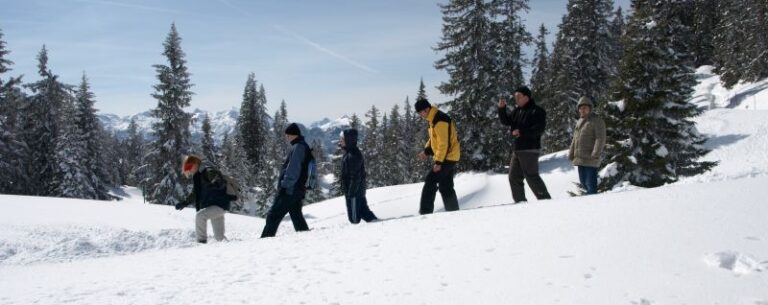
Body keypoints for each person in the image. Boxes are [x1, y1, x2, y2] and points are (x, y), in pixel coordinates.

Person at [498, 86, 552, 203]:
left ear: (526, 97)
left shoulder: (537, 111)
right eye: (515, 97)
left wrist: (521, 132)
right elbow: (506, 121)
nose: (516, 99)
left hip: (530, 148)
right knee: (513, 177)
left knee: (531, 176)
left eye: (518, 97)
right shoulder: (517, 111)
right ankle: (520, 202)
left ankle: (545, 200)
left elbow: (539, 129)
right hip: (517, 149)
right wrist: (502, 109)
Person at [260, 123, 311, 238]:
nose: (286, 137)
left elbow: (293, 169)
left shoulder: (298, 147)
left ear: (293, 135)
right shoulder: (302, 146)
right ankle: (306, 237)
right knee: (296, 215)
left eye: (288, 135)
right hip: (298, 189)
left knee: (273, 215)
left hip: (290, 189)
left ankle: (264, 241)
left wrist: (284, 186)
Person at [415, 97, 461, 214]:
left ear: (427, 109)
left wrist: (439, 162)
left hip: (448, 157)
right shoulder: (432, 119)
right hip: (448, 156)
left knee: (430, 181)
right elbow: (434, 139)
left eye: (421, 112)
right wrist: (426, 151)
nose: (421, 115)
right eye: (419, 113)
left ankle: (425, 213)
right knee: (446, 187)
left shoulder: (439, 120)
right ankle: (454, 212)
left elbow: (443, 143)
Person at [175, 155, 233, 243]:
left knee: (200, 216)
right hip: (214, 206)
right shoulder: (198, 175)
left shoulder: (207, 170)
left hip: (219, 205)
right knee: (220, 238)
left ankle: (201, 243)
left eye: (189, 167)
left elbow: (216, 177)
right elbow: (195, 193)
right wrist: (185, 203)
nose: (189, 171)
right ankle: (233, 251)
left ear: (195, 164)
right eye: (188, 169)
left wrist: (216, 181)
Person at [568, 97, 606, 195]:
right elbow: (574, 140)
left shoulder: (596, 120)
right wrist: (571, 153)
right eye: (580, 108)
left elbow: (600, 138)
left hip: (591, 158)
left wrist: (595, 153)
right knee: (583, 183)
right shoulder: (579, 121)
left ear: (590, 108)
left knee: (591, 185)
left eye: (584, 107)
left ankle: (593, 204)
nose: (582, 110)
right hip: (580, 158)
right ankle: (589, 204)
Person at [340, 129, 378, 224]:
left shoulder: (353, 155)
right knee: (364, 211)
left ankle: (361, 232)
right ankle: (377, 225)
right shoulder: (349, 152)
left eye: (342, 139)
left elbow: (355, 176)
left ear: (348, 140)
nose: (340, 141)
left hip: (354, 192)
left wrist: (351, 193)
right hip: (356, 190)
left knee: (354, 219)